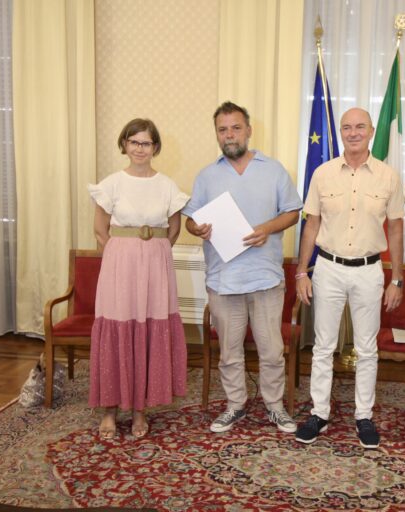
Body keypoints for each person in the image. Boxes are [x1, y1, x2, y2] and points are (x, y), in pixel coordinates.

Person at [183, 101, 303, 434]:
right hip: (223, 280)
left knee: (272, 351)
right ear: (217, 134)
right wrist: (196, 228)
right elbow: (191, 220)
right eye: (222, 129)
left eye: (236, 128)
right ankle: (235, 405)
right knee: (229, 352)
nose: (229, 135)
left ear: (248, 130)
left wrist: (267, 228)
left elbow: (293, 212)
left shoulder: (273, 170)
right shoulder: (206, 176)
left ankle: (275, 407)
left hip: (265, 277)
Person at [295, 107, 405, 449]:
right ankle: (319, 413)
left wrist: (397, 279)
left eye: (360, 127)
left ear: (371, 131)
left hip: (369, 271)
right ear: (340, 132)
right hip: (328, 268)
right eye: (346, 127)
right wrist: (301, 271)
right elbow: (311, 225)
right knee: (323, 346)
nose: (353, 132)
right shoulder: (323, 174)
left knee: (367, 348)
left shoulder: (388, 176)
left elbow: (396, 229)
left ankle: (364, 416)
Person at [87, 118, 189, 440]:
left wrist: (153, 254)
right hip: (119, 265)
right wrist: (122, 254)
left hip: (156, 266)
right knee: (118, 327)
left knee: (147, 328)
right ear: (124, 145)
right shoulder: (111, 184)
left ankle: (140, 410)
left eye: (146, 143)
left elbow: (173, 229)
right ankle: (109, 409)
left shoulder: (168, 186)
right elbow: (100, 230)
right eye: (134, 142)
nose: (140, 149)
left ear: (155, 147)